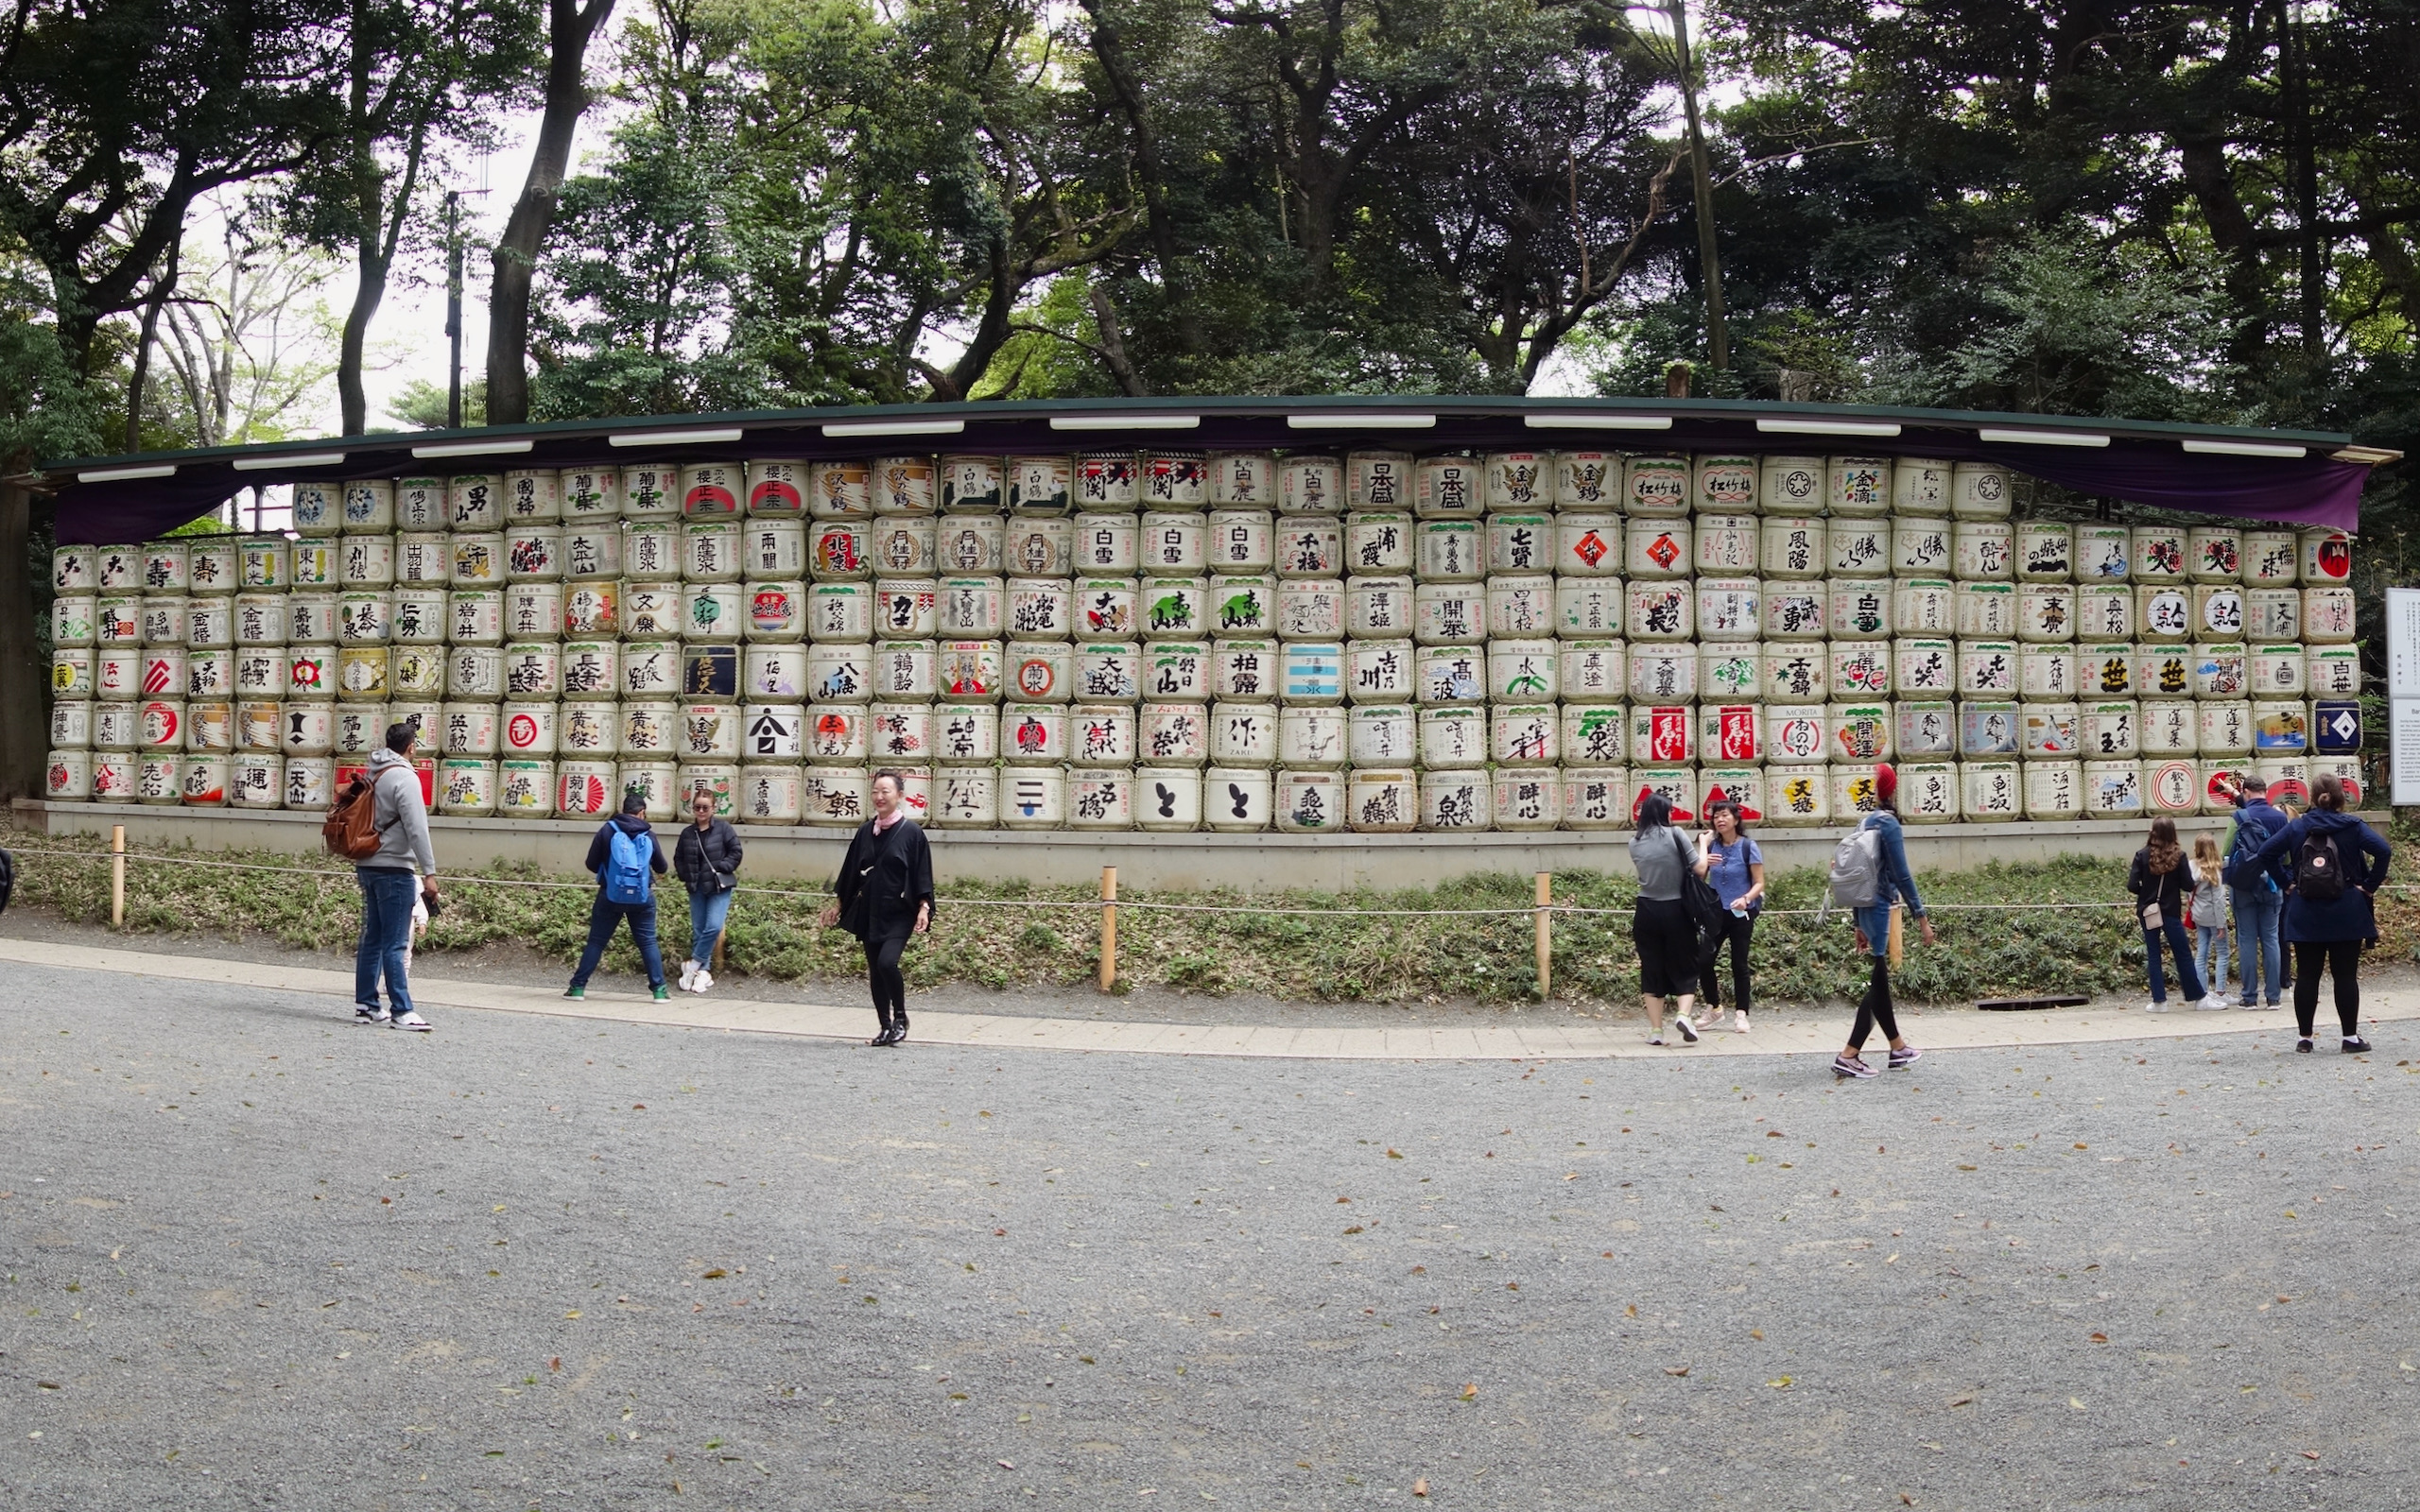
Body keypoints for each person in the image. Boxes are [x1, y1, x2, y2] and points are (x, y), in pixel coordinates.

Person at [2246, 774, 2391, 1054]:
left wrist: (2287, 883)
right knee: (2345, 976)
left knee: (2307, 975)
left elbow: (2266, 853)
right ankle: (2350, 1038)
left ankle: (2305, 1039)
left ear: (2312, 797)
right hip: (2347, 908)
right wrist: (2369, 886)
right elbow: (2383, 851)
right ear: (2340, 797)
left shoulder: (2297, 826)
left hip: (2306, 908)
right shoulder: (2353, 826)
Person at [1833, 763, 1934, 1079]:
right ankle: (1849, 1054)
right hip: (1879, 904)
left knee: (1880, 980)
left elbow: (1854, 872)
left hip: (1864, 904)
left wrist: (1857, 923)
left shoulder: (1864, 821)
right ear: (1894, 790)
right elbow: (1901, 874)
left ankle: (1897, 1047)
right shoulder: (1888, 824)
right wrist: (1921, 916)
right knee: (1878, 983)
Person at [829, 770, 935, 1046]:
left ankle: (900, 1018)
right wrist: (838, 904)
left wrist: (924, 907)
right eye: (875, 791)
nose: (879, 796)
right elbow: (851, 871)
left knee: (887, 962)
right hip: (870, 909)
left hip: (899, 911)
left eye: (885, 791)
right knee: (875, 970)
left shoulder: (912, 833)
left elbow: (922, 872)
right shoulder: (865, 831)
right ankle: (885, 1027)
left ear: (899, 796)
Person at [354, 719, 439, 1031]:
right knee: (396, 943)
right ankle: (402, 1010)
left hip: (367, 863)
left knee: (373, 938)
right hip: (395, 867)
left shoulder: (372, 773)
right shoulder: (405, 777)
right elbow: (417, 829)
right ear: (411, 747)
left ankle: (367, 1005)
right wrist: (429, 872)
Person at [564, 788, 671, 1002]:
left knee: (596, 942)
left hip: (610, 894)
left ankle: (577, 988)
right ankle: (659, 991)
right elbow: (662, 867)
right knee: (648, 942)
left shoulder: (607, 830)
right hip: (642, 896)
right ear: (642, 812)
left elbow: (591, 863)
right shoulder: (648, 834)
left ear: (623, 810)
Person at [1627, 792, 1701, 1045]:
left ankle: (1656, 1031)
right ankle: (1683, 1015)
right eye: (1669, 811)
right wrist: (1705, 844)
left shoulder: (1634, 842)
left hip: (1646, 910)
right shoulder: (1676, 834)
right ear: (1663, 812)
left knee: (1652, 968)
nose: (1672, 815)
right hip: (1677, 908)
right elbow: (1699, 869)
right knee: (1686, 965)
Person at [1692, 798, 1765, 1034]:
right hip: (1715, 912)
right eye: (1716, 816)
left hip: (1741, 912)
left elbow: (1759, 883)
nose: (1720, 820)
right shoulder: (1712, 846)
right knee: (1704, 961)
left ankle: (1742, 1013)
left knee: (1739, 963)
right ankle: (1714, 1008)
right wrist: (1705, 853)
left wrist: (1746, 898)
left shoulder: (1748, 846)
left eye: (1724, 815)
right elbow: (1698, 877)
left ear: (1735, 819)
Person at [2126, 816, 2212, 1011]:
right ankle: (2197, 997)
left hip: (2148, 911)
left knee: (2154, 954)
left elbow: (2132, 885)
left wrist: (2146, 893)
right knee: (2182, 953)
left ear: (2153, 832)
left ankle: (2159, 1001)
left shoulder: (2142, 855)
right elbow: (2188, 885)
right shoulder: (2179, 856)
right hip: (2171, 910)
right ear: (2172, 833)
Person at [2220, 774, 2290, 1009]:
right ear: (2265, 792)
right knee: (2271, 939)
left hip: (2243, 886)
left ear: (2246, 792)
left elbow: (2226, 853)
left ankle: (2249, 997)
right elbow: (2287, 857)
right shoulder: (2280, 818)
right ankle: (2273, 998)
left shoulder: (2239, 817)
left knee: (2247, 940)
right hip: (2272, 885)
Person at [674, 790, 745, 994]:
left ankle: (693, 965)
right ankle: (702, 972)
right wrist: (685, 875)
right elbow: (679, 858)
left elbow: (736, 852)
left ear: (714, 808)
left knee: (713, 927)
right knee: (699, 930)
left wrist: (723, 866)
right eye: (697, 807)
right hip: (696, 886)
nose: (701, 811)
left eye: (705, 807)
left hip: (718, 886)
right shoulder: (688, 833)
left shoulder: (723, 829)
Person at [2188, 833, 2232, 1009]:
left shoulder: (2191, 866)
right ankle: (2220, 991)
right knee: (2222, 952)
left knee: (2202, 953)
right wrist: (2221, 924)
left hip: (2198, 915)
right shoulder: (2214, 870)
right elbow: (2218, 900)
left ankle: (2203, 993)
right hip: (2213, 917)